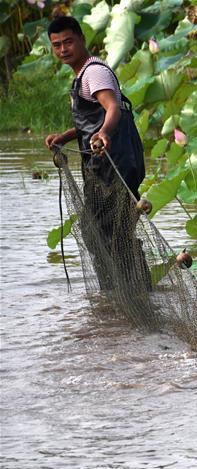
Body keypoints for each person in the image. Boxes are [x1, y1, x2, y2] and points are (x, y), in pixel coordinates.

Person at [44, 15, 149, 292]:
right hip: (104, 166)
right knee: (103, 233)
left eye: (68, 42)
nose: (63, 49)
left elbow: (112, 108)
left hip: (116, 164)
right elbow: (91, 121)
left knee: (115, 233)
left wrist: (103, 133)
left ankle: (134, 291)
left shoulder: (94, 72)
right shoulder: (81, 76)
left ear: (81, 39)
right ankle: (122, 293)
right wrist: (65, 137)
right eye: (56, 45)